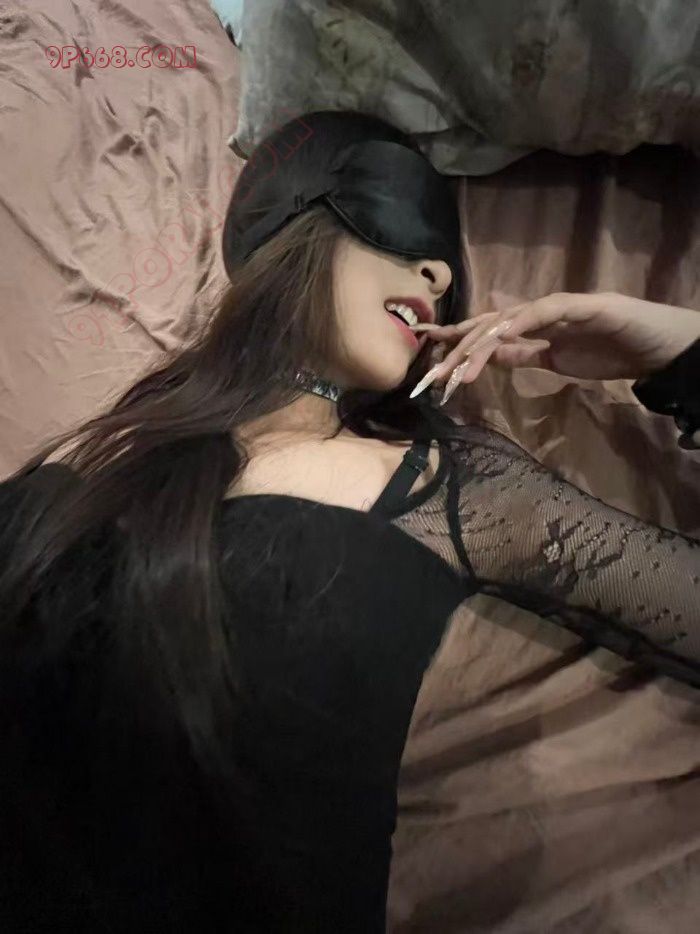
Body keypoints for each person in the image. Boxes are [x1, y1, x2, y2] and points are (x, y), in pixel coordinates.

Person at [0, 110, 698, 933]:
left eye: (448, 260)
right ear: (291, 216)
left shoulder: (447, 487)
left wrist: (680, 351)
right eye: (406, 220)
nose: (441, 271)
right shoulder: (91, 463)